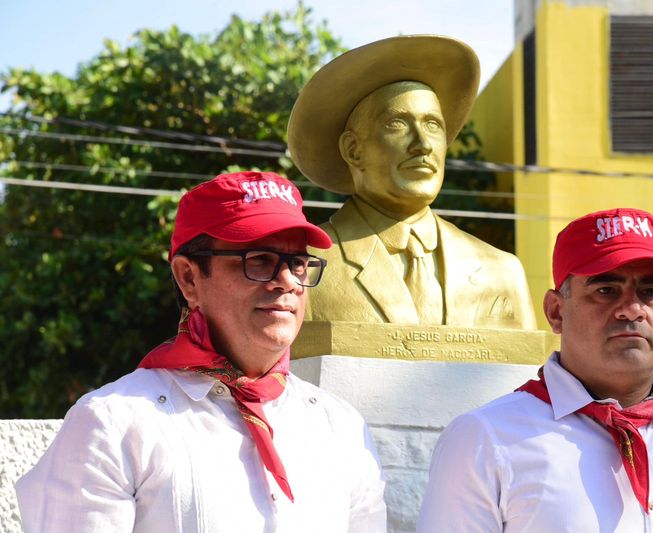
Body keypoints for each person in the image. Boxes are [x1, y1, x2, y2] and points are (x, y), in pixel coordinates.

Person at [16, 171, 387, 532]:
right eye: (259, 260)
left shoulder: (342, 428)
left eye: (298, 263)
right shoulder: (113, 425)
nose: (288, 282)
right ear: (189, 278)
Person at [417, 207, 653, 532]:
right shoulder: (484, 440)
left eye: (650, 291)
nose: (631, 309)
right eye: (605, 290)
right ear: (555, 311)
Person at [287, 35, 535, 329]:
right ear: (353, 149)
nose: (422, 144)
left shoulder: (503, 271)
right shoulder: (305, 266)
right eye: (397, 124)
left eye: (433, 125)